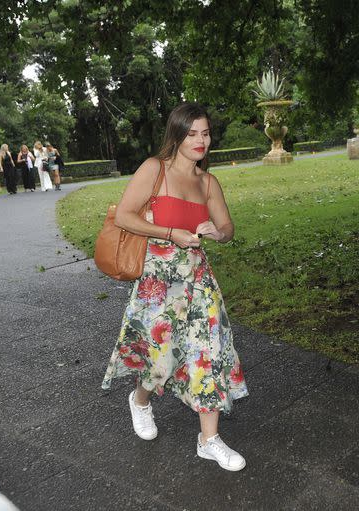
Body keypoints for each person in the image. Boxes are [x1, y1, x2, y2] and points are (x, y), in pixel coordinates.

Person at [100, 102, 249, 471]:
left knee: (209, 352)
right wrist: (170, 233)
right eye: (192, 134)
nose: (201, 141)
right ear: (177, 135)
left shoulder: (207, 182)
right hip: (157, 280)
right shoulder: (155, 169)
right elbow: (124, 215)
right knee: (158, 356)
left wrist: (218, 232)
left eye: (206, 133)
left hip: (199, 281)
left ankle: (208, 440)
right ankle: (140, 400)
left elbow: (228, 229)